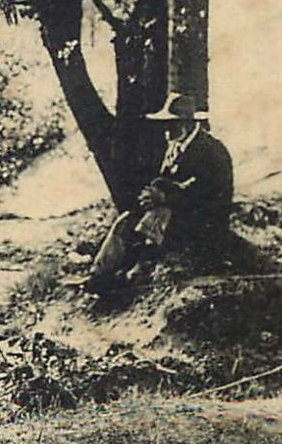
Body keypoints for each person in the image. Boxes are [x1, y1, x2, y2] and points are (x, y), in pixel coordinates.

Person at [84, 92, 234, 293]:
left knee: (159, 214)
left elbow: (210, 198)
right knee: (127, 219)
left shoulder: (211, 151)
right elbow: (165, 182)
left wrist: (165, 199)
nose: (165, 130)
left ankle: (140, 269)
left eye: (169, 124)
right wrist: (151, 195)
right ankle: (99, 275)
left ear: (185, 123)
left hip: (204, 222)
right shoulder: (176, 147)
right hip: (176, 215)